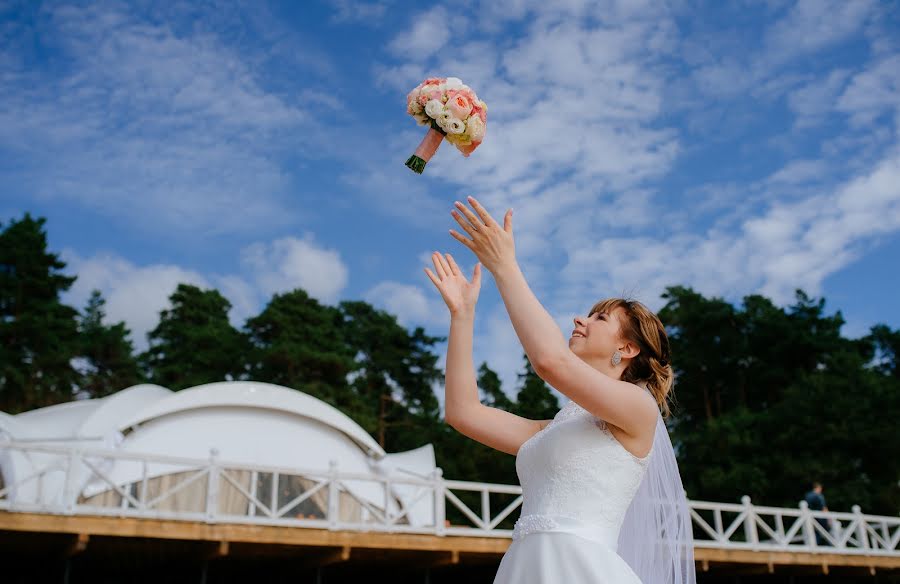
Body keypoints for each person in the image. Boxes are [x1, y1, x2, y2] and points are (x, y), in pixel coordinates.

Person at [424, 196, 696, 584]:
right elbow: (462, 413)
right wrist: (462, 315)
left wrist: (504, 266)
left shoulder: (639, 409)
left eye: (599, 318)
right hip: (525, 569)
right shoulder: (550, 429)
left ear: (627, 348)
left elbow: (550, 362)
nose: (579, 320)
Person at [804, 481, 832, 546]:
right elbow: (823, 507)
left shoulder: (808, 495)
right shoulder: (819, 496)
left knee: (815, 532)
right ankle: (828, 546)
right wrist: (829, 518)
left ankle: (814, 545)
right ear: (818, 488)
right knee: (825, 532)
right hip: (821, 517)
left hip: (811, 517)